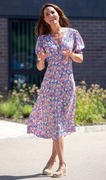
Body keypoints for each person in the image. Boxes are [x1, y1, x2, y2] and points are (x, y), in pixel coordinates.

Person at [27, 3, 85, 178]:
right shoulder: (43, 39)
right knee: (56, 122)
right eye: (47, 14)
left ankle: (51, 161)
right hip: (50, 85)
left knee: (58, 123)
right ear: (44, 19)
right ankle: (62, 164)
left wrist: (71, 55)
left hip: (67, 84)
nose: (51, 15)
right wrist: (42, 59)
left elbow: (80, 59)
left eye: (53, 12)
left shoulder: (73, 34)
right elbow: (39, 67)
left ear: (58, 14)